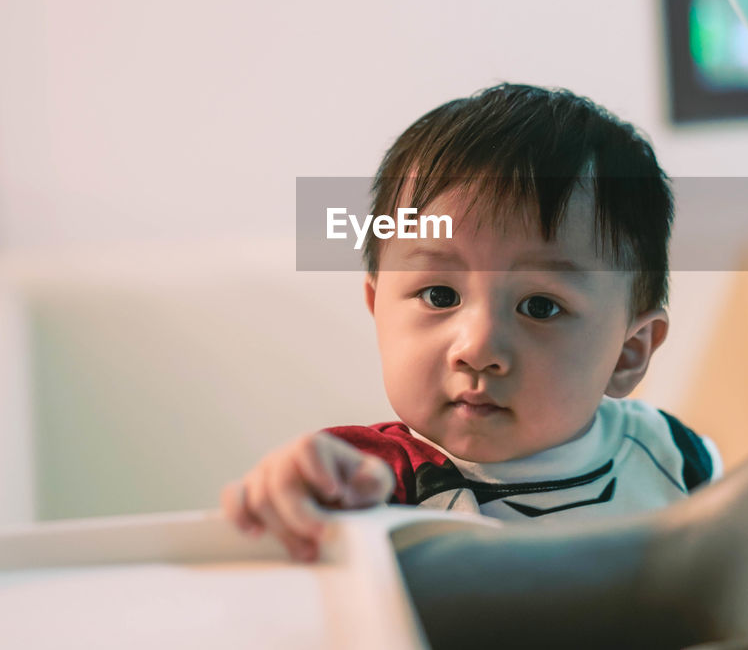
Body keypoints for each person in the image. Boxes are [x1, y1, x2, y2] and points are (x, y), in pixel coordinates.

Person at [220, 83, 720, 561]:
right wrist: (293, 495)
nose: (478, 348)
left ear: (628, 353)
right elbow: (291, 552)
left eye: (540, 307)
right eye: (440, 295)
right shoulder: (369, 479)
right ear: (378, 310)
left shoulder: (674, 459)